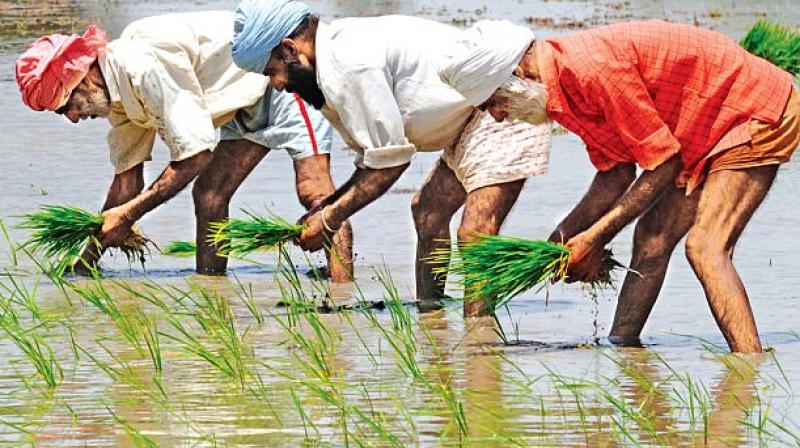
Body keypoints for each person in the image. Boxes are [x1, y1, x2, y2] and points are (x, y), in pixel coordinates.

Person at [440, 20, 799, 352]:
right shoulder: (560, 93)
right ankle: (623, 350)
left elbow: (663, 164)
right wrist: (559, 243)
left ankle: (749, 372)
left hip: (754, 111)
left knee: (707, 247)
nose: (499, 116)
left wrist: (594, 238)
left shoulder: (594, 70)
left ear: (517, 75)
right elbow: (615, 174)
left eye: (494, 104)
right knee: (652, 239)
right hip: (698, 130)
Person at [230, 0, 551, 315]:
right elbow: (374, 161)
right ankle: (432, 322)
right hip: (465, 119)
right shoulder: (334, 57)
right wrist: (324, 208)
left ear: (289, 49)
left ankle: (479, 344)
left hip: (502, 100)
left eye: (273, 72)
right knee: (427, 213)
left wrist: (329, 218)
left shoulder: (348, 64)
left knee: (474, 234)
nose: (279, 86)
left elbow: (390, 163)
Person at [15, 11, 353, 280]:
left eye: (65, 107)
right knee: (209, 195)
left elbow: (195, 156)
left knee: (314, 192)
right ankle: (212, 288)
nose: (72, 119)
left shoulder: (141, 66)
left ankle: (342, 296)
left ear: (83, 80)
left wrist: (130, 215)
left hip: (277, 74)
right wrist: (85, 261)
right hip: (234, 100)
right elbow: (126, 184)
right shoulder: (117, 100)